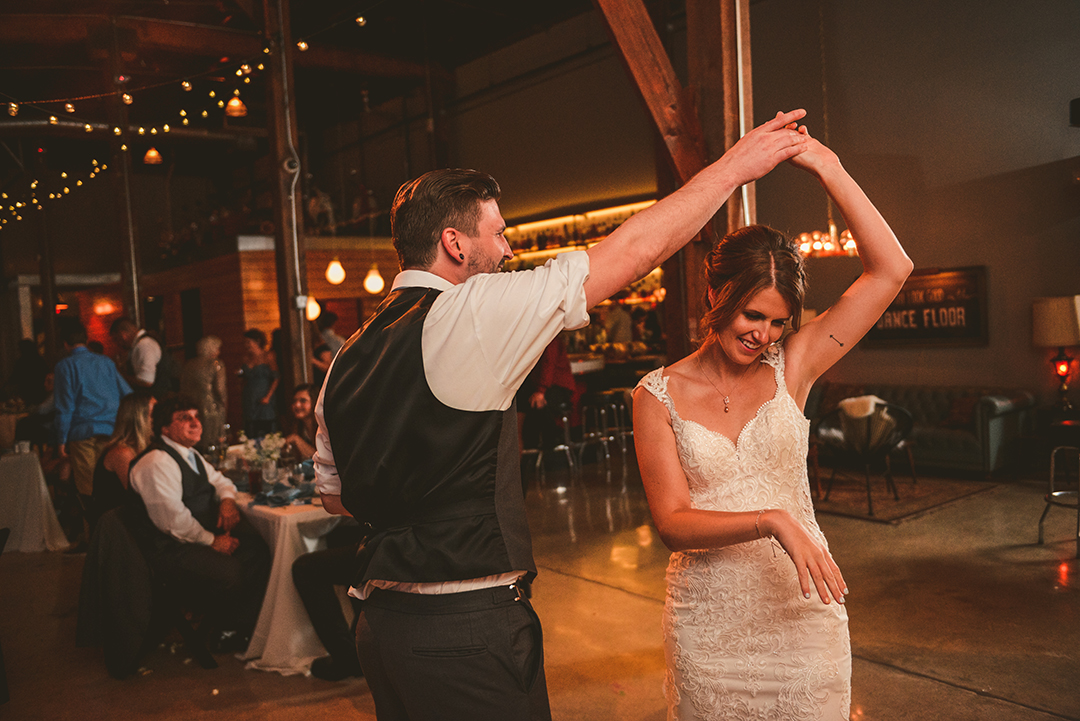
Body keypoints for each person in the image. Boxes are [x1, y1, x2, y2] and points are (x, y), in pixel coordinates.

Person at [313, 108, 813, 720]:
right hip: (464, 628)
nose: (507, 247)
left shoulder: (348, 356)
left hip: (381, 626)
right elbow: (632, 251)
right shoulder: (470, 313)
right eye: (497, 233)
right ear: (454, 243)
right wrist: (737, 167)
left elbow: (336, 497)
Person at [632, 120, 913, 720]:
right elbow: (674, 523)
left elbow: (891, 269)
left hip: (803, 618)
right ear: (718, 296)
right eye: (751, 315)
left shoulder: (797, 366)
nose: (762, 335)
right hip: (710, 629)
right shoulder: (656, 395)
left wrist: (829, 167)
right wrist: (771, 521)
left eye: (778, 322)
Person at [129, 395, 271, 652]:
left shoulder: (190, 454)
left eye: (196, 417)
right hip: (169, 550)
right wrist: (213, 541)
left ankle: (236, 627)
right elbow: (172, 519)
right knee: (231, 570)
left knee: (258, 552)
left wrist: (227, 501)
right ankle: (223, 630)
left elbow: (221, 481)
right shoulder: (157, 461)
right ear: (164, 428)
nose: (195, 423)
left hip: (191, 541)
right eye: (185, 418)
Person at [54, 320, 133, 546]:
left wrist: (61, 441)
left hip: (83, 432)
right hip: (111, 431)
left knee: (88, 489)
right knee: (112, 484)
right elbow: (127, 392)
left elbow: (65, 407)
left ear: (66, 343)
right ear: (86, 339)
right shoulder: (105, 362)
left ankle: (96, 541)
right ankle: (119, 537)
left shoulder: (65, 366)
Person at [291, 521, 365, 681]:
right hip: (412, 545)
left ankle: (345, 657)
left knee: (304, 569)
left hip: (393, 550)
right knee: (340, 535)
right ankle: (361, 649)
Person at [90, 391, 155, 530]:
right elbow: (139, 494)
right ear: (139, 418)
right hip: (116, 528)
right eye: (154, 414)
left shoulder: (143, 449)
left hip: (132, 519)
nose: (161, 418)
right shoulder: (122, 453)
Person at [179, 335, 227, 452]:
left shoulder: (188, 364)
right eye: (217, 349)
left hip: (191, 408)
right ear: (212, 349)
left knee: (194, 443)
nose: (219, 352)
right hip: (211, 409)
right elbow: (220, 390)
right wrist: (224, 405)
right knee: (213, 444)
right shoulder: (215, 364)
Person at [110, 317, 165, 395]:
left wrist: (120, 376)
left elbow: (146, 381)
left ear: (123, 335)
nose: (117, 344)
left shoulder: (144, 345)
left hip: (155, 399)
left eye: (116, 339)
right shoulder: (139, 345)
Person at [239, 328, 278, 438]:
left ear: (257, 341)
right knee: (251, 427)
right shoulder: (246, 358)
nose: (246, 345)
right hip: (250, 397)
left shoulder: (268, 356)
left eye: (248, 342)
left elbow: (276, 377)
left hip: (264, 395)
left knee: (266, 426)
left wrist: (268, 396)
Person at [283, 383, 317, 459]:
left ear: (315, 402)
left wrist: (296, 439)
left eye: (303, 400)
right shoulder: (297, 426)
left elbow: (323, 459)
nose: (297, 405)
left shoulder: (323, 427)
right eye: (294, 401)